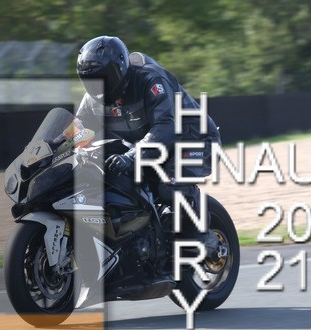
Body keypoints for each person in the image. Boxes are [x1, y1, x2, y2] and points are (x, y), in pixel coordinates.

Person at [75, 35, 221, 215]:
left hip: (196, 141)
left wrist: (131, 157)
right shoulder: (91, 100)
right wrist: (52, 146)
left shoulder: (150, 79)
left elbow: (166, 127)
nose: (98, 86)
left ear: (120, 68)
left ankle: (199, 229)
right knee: (116, 183)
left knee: (171, 188)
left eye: (105, 78)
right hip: (149, 150)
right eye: (91, 81)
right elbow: (80, 129)